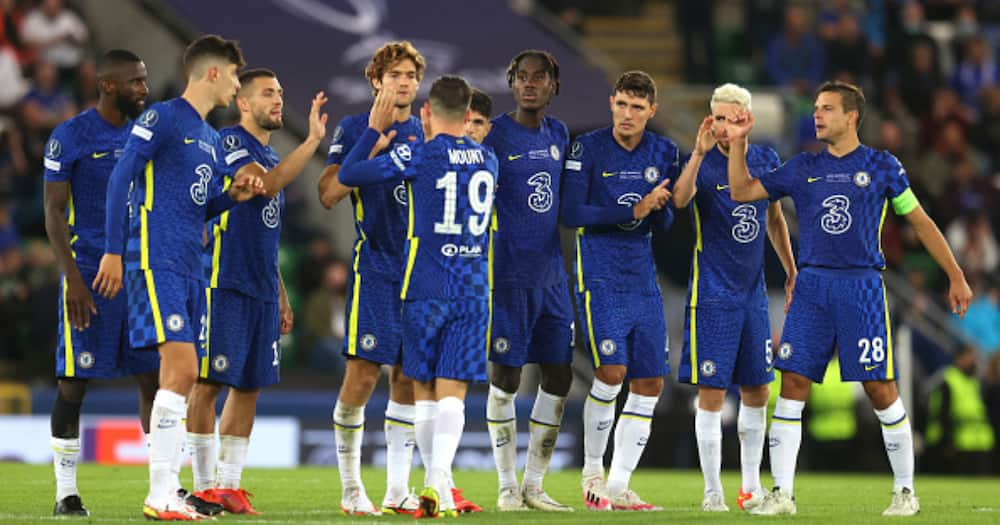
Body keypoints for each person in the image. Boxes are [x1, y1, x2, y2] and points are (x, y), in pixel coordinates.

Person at [726, 80, 974, 516]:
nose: (816, 115)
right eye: (816, 108)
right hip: (811, 286)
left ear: (851, 116)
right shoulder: (802, 166)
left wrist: (955, 274)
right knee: (794, 383)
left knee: (880, 388)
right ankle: (782, 493)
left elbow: (920, 221)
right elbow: (742, 191)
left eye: (826, 108)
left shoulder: (882, 166)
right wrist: (738, 143)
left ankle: (904, 492)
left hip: (860, 286)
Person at [93, 34, 265, 521]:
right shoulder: (162, 117)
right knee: (186, 370)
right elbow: (120, 177)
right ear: (213, 72)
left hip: (191, 266)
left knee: (180, 377)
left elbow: (199, 206)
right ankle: (161, 491)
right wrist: (111, 251)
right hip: (155, 258)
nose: (237, 84)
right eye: (234, 75)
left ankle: (167, 492)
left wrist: (232, 197)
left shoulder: (209, 137)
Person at [338, 75, 498, 519]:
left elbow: (349, 174)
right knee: (453, 393)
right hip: (471, 286)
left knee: (422, 388)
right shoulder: (489, 158)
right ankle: (437, 484)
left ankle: (436, 486)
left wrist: (373, 129)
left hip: (424, 286)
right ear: (469, 116)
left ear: (427, 112)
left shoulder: (419, 154)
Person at [316, 40, 463, 516]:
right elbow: (329, 193)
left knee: (406, 377)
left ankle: (397, 489)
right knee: (362, 375)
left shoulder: (428, 133)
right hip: (377, 266)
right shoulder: (355, 127)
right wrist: (373, 141)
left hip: (422, 270)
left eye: (411, 75)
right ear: (376, 80)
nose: (404, 82)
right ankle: (350, 487)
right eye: (394, 74)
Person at [184, 68, 328, 514]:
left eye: (281, 93)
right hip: (224, 284)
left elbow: (267, 234)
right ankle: (204, 485)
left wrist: (281, 294)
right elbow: (262, 186)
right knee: (208, 384)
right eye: (268, 93)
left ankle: (229, 485)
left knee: (249, 388)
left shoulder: (269, 156)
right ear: (243, 103)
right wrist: (310, 143)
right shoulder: (230, 142)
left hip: (262, 290)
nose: (279, 100)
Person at [42, 48, 158, 517]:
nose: (144, 90)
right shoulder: (69, 137)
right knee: (74, 383)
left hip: (140, 273)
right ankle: (66, 493)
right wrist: (72, 277)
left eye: (145, 80)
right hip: (88, 272)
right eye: (136, 81)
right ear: (108, 85)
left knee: (154, 379)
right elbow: (53, 211)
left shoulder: (145, 134)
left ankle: (162, 487)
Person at [670, 83, 796, 512]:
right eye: (717, 118)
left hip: (753, 294)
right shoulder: (701, 163)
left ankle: (748, 486)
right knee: (712, 393)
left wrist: (792, 270)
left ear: (747, 120)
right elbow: (680, 200)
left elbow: (775, 220)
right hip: (712, 295)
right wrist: (699, 152)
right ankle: (712, 491)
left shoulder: (764, 160)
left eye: (731, 118)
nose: (723, 126)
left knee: (758, 390)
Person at [561, 70, 677, 512]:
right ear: (611, 103)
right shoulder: (586, 147)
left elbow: (664, 223)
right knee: (612, 372)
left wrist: (658, 210)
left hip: (642, 277)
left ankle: (620, 484)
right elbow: (572, 212)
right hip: (599, 273)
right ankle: (593, 469)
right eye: (622, 104)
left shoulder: (664, 150)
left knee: (649, 382)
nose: (627, 114)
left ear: (651, 111)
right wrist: (635, 208)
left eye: (637, 107)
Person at [484, 49, 574, 512]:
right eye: (522, 77)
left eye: (539, 77)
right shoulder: (495, 135)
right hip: (508, 277)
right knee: (506, 377)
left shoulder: (560, 134)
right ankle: (505, 486)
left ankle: (534, 484)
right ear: (511, 82)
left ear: (554, 85)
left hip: (552, 278)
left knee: (559, 374)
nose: (530, 84)